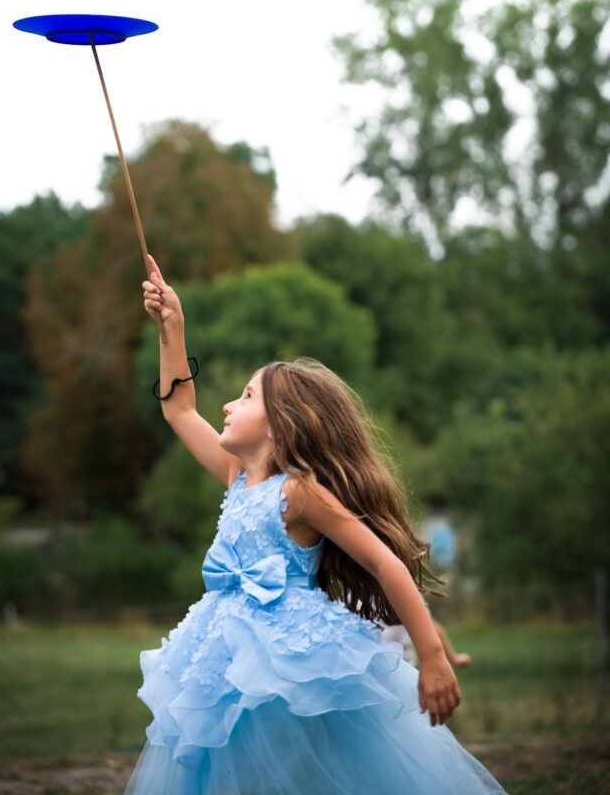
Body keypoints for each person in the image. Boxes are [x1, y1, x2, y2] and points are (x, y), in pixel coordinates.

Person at [124, 256, 507, 794]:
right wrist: (173, 326)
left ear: (284, 424)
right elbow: (180, 410)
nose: (229, 405)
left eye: (248, 396)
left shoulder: (297, 493)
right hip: (222, 657)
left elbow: (383, 561)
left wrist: (433, 656)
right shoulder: (237, 478)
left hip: (287, 663)